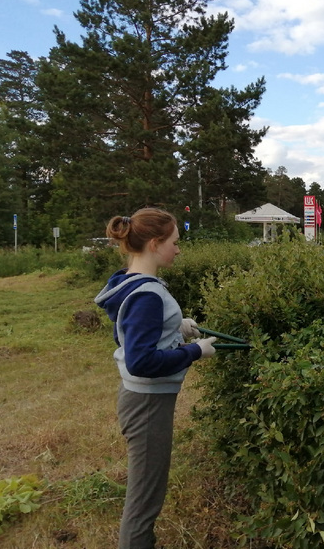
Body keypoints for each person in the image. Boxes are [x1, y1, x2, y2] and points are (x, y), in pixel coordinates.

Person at [94, 207, 217, 549]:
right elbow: (142, 360)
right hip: (147, 404)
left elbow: (130, 333)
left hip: (143, 400)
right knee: (145, 498)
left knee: (147, 489)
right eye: (175, 242)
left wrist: (175, 328)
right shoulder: (147, 292)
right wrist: (196, 351)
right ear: (154, 243)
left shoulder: (131, 282)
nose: (178, 249)